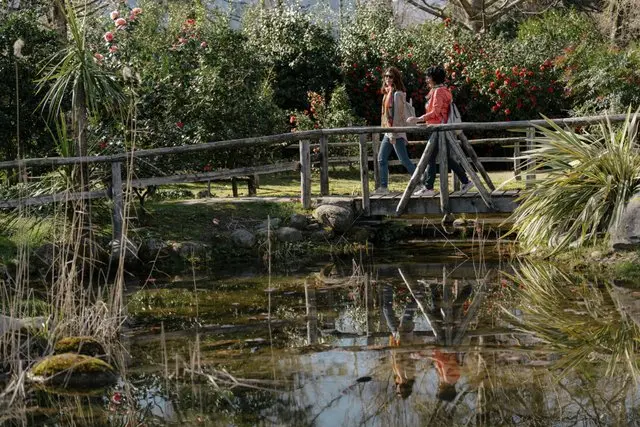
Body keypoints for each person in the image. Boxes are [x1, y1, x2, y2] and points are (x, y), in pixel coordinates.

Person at [407, 65, 474, 197]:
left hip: (439, 129)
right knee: (445, 158)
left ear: (433, 78)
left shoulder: (438, 92)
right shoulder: (443, 90)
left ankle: (429, 187)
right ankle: (465, 181)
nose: (426, 80)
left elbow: (436, 112)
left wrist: (418, 119)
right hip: (441, 129)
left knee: (431, 157)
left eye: (428, 77)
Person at [374, 67, 417, 195]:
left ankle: (420, 182)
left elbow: (397, 117)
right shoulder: (387, 93)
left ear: (396, 79)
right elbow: (386, 115)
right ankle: (384, 187)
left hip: (395, 132)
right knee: (381, 159)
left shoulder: (397, 94)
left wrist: (392, 133)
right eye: (386, 76)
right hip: (389, 132)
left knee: (404, 160)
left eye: (390, 76)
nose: (387, 78)